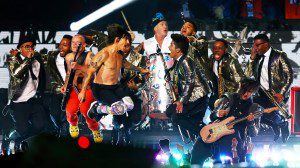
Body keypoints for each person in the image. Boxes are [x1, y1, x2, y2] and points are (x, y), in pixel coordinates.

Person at [77, 24, 149, 142]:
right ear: (117, 40)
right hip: (101, 89)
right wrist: (83, 91)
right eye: (125, 38)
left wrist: (141, 70)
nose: (127, 42)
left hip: (115, 87)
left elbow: (126, 64)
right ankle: (97, 109)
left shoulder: (119, 54)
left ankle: (120, 122)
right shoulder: (104, 53)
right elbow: (90, 72)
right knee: (120, 109)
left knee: (130, 105)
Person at [190, 78, 261, 166]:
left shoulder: (254, 108)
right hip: (215, 130)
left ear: (253, 92)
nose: (246, 94)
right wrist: (217, 114)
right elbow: (212, 116)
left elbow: (254, 133)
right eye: (244, 90)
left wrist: (251, 122)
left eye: (250, 92)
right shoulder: (228, 98)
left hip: (234, 137)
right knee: (197, 153)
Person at [245, 34, 293, 142]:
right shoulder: (256, 58)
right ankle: (275, 125)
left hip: (277, 94)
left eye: (257, 45)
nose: (255, 48)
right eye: (254, 45)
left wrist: (282, 92)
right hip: (262, 93)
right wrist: (252, 58)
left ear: (266, 44)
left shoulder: (279, 56)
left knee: (270, 114)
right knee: (254, 111)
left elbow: (289, 75)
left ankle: (283, 124)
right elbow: (247, 75)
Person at [165, 34, 210, 139]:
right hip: (191, 97)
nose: (168, 47)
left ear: (178, 50)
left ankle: (205, 135)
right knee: (169, 111)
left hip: (199, 97)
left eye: (171, 45)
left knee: (176, 117)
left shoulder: (186, 60)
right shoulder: (179, 61)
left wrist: (181, 101)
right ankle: (198, 134)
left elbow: (190, 81)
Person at [7, 35, 48, 151]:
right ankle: (14, 137)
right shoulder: (13, 59)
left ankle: (25, 143)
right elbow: (16, 74)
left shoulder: (37, 59)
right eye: (26, 46)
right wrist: (28, 60)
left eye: (31, 46)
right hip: (19, 101)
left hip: (34, 100)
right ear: (20, 48)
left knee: (40, 125)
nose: (30, 49)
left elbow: (42, 78)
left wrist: (42, 94)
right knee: (22, 130)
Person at [60, 34, 101, 143]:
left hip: (87, 88)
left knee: (86, 110)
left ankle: (95, 129)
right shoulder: (68, 57)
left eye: (77, 43)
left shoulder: (90, 56)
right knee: (70, 110)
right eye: (72, 42)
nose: (74, 45)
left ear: (84, 45)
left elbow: (93, 72)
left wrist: (79, 67)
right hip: (74, 89)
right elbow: (69, 73)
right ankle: (73, 124)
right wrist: (65, 85)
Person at [43, 34, 72, 136]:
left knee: (67, 114)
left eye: (65, 45)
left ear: (71, 47)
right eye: (61, 44)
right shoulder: (51, 56)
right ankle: (60, 129)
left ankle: (64, 133)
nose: (61, 47)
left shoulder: (75, 58)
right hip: (56, 91)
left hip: (70, 92)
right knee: (55, 113)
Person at [208, 39, 245, 110]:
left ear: (225, 50)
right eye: (215, 48)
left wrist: (232, 97)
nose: (216, 50)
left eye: (220, 48)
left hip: (230, 94)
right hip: (216, 93)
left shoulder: (231, 61)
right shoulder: (211, 59)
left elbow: (239, 81)